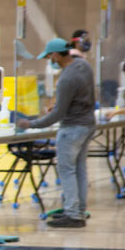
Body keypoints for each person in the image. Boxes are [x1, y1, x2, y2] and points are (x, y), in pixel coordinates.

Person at [17, 38, 96, 228]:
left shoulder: (66, 78)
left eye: (48, 56)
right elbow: (78, 97)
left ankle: (72, 214)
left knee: (66, 170)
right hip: (88, 123)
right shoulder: (84, 66)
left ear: (55, 55)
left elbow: (57, 115)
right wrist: (61, 105)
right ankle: (78, 210)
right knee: (79, 169)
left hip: (71, 129)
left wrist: (31, 124)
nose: (49, 60)